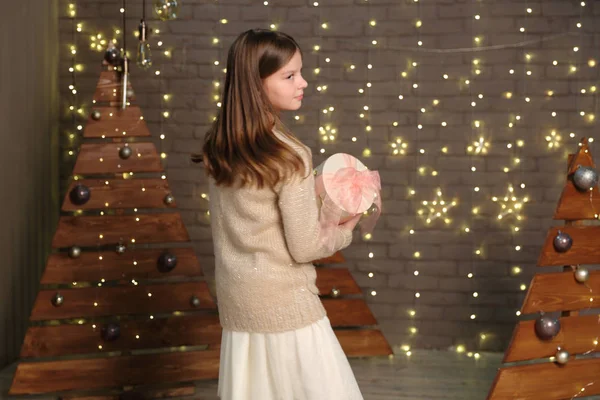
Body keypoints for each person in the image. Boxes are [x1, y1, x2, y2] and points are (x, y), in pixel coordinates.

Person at [196, 28, 364, 399]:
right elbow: (305, 246)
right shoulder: (289, 154)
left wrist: (314, 193)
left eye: (300, 72)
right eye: (289, 76)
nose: (303, 82)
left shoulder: (220, 145)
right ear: (255, 83)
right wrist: (345, 226)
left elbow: (255, 221)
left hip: (238, 301)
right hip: (285, 303)